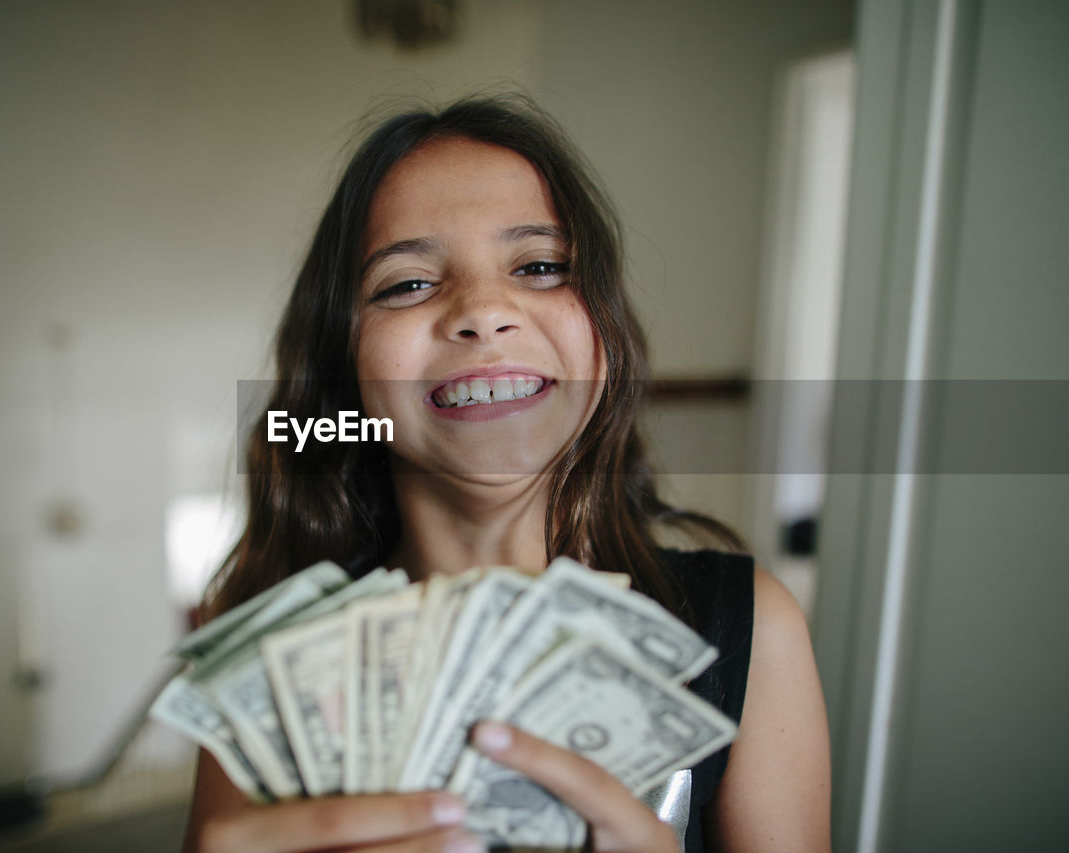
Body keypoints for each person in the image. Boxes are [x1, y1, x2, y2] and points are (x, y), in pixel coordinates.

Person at [183, 95, 830, 852]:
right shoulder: (275, 662)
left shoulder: (754, 626)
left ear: (604, 336)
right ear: (345, 369)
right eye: (407, 282)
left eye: (541, 267)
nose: (484, 311)